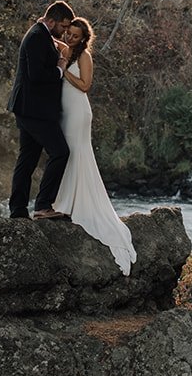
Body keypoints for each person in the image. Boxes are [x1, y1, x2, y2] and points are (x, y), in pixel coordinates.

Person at [52, 18, 136, 274]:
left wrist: (64, 70)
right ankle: (64, 200)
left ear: (83, 38)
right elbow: (51, 43)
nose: (70, 38)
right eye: (69, 34)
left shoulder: (84, 56)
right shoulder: (65, 49)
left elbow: (86, 86)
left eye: (75, 36)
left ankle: (73, 202)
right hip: (65, 112)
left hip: (78, 111)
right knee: (66, 155)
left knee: (77, 153)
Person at [7, 0, 75, 220]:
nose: (65, 32)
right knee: (60, 152)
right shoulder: (37, 37)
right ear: (52, 20)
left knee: (27, 160)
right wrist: (60, 69)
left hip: (29, 107)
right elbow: (36, 76)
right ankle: (43, 205)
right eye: (63, 26)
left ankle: (18, 211)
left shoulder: (41, 33)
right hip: (34, 110)